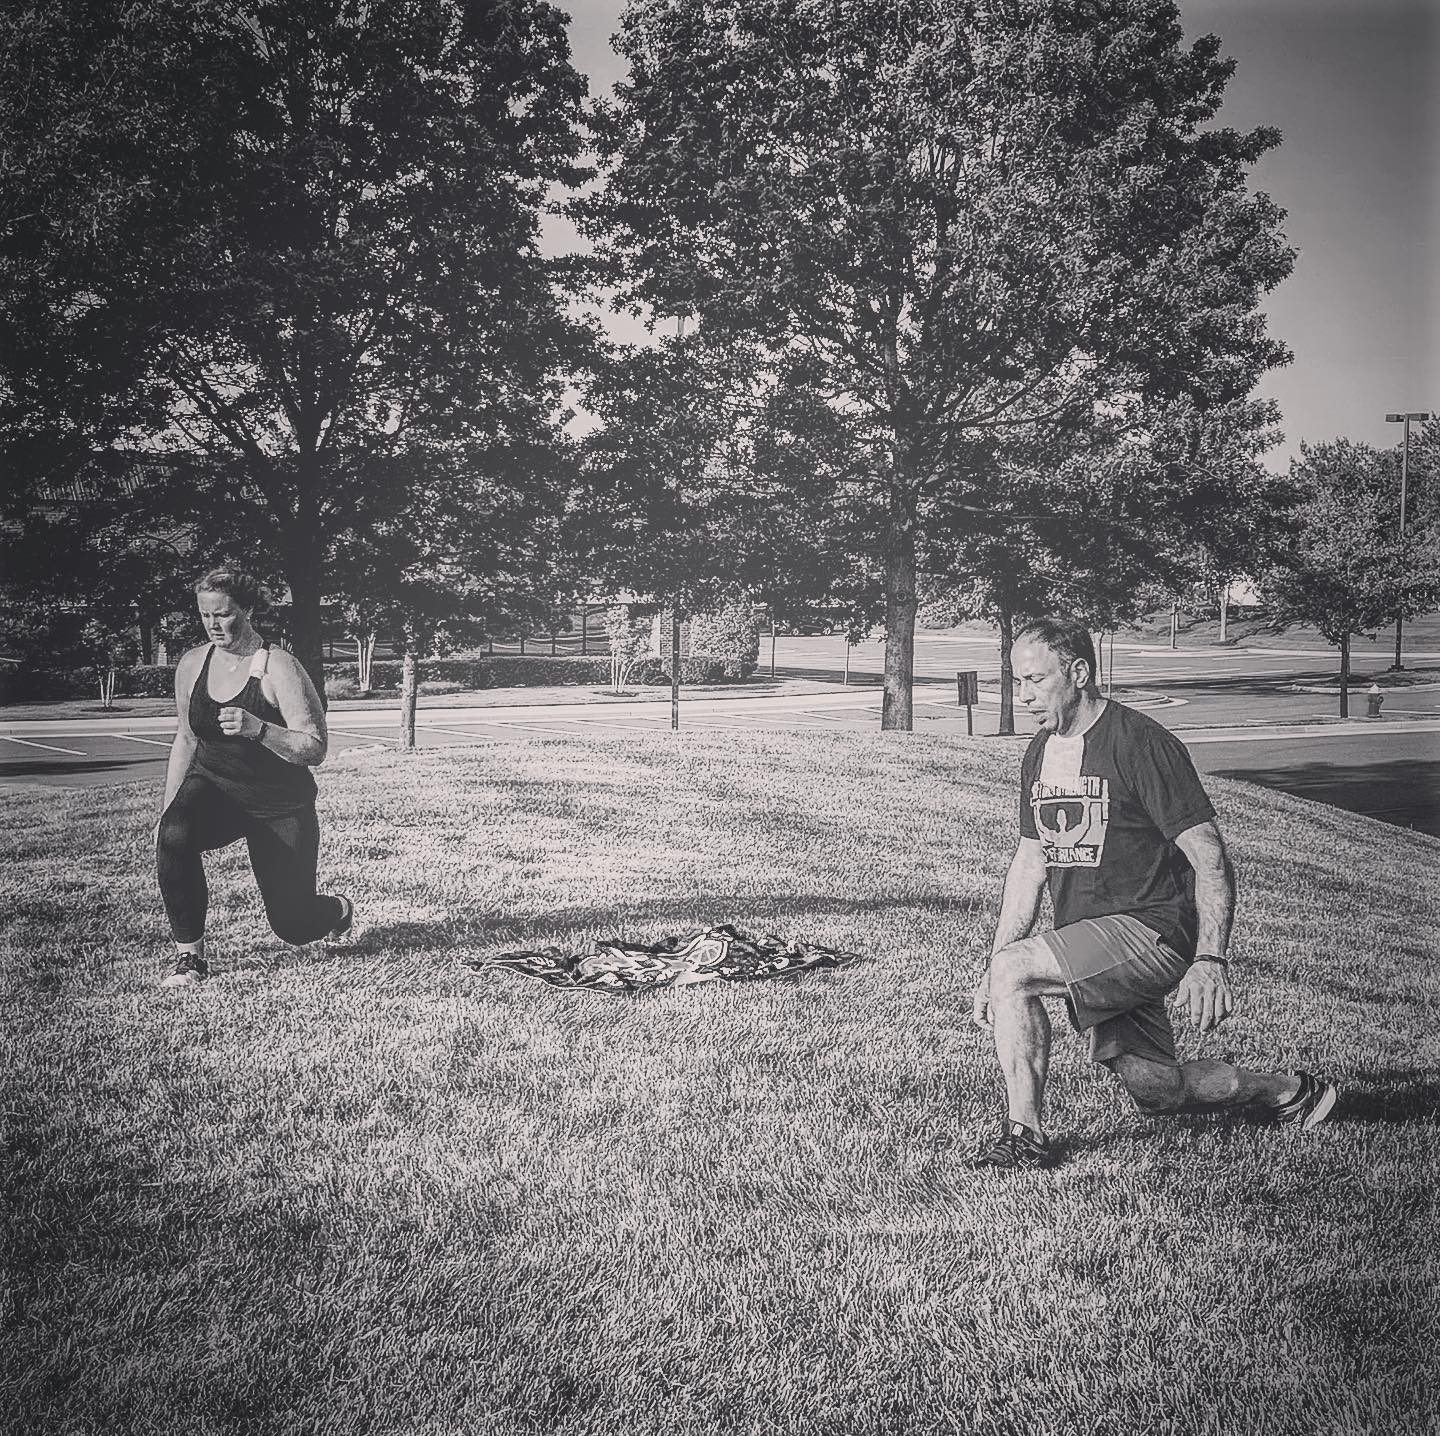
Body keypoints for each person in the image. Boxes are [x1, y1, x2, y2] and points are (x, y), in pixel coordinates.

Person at [971, 615, 1337, 1169]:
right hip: (1091, 942)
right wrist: (993, 963)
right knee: (1158, 1092)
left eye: (1035, 681)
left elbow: (1208, 854)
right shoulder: (1040, 753)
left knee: (1017, 971)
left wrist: (1210, 957)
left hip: (1153, 930)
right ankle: (1289, 1090)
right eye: (1016, 682)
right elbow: (1030, 862)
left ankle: (1025, 1136)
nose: (1022, 697)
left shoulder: (1140, 743)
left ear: (1079, 672)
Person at [154, 568, 352, 987]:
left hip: (278, 802)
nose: (213, 625)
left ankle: (337, 910)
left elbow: (314, 748)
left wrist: (259, 729)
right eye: (205, 615)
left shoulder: (280, 667)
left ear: (246, 609)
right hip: (214, 787)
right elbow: (186, 739)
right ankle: (190, 958)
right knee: (173, 835)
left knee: (293, 925)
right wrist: (168, 807)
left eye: (223, 615)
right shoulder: (193, 664)